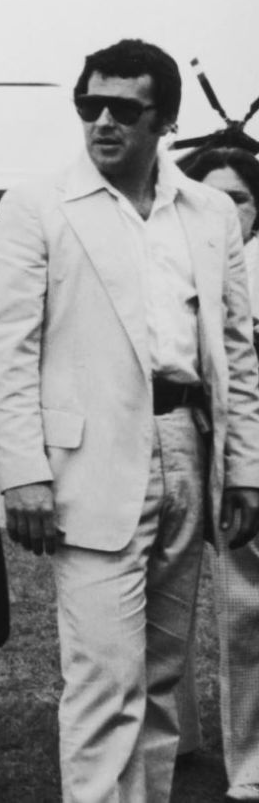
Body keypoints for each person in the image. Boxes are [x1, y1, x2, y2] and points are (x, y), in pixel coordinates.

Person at [0, 39, 259, 803]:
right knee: (104, 679)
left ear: (163, 119)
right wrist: (24, 470)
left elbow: (236, 351)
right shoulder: (38, 205)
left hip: (185, 449)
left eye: (123, 109)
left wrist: (244, 467)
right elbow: (3, 351)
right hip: (84, 467)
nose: (102, 121)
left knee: (165, 680)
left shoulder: (206, 214)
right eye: (89, 105)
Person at [176, 145, 259, 802]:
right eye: (214, 197)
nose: (226, 211)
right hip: (194, 449)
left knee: (245, 610)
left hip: (245, 451)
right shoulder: (175, 262)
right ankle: (193, 740)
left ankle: (245, 759)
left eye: (240, 198)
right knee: (190, 598)